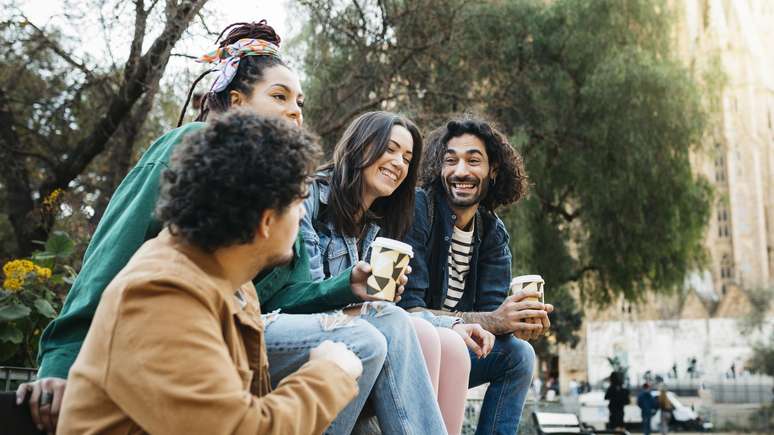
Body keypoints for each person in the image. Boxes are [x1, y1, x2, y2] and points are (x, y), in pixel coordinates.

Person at [18, 21, 440, 435]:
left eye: (301, 101)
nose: (295, 110)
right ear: (237, 102)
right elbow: (108, 262)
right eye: (280, 96)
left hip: (244, 333)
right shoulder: (191, 157)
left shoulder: (259, 229)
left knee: (385, 324)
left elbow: (285, 296)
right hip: (170, 349)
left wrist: (347, 284)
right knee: (359, 343)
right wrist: (60, 364)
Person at [57, 110, 364, 433]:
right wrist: (329, 375)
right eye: (298, 202)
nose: (302, 214)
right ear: (266, 221)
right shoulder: (162, 295)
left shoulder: (231, 284)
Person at [271, 111, 494, 434]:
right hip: (302, 327)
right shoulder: (310, 200)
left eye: (407, 157)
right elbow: (309, 296)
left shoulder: (377, 225)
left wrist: (455, 323)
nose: (399, 163)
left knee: (451, 343)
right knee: (416, 332)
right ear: (360, 146)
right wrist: (350, 288)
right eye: (390, 149)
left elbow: (386, 308)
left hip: (357, 328)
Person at [397, 116, 553, 434]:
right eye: (450, 160)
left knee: (519, 354)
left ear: (493, 170)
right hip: (412, 348)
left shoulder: (493, 232)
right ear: (439, 170)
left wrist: (519, 323)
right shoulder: (418, 211)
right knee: (442, 339)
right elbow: (410, 311)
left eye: (473, 160)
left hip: (457, 351)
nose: (461, 171)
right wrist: (496, 320)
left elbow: (492, 321)